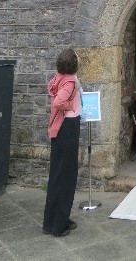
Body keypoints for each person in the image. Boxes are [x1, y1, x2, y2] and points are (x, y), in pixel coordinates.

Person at [42, 47, 82, 237]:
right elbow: (58, 102)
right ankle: (59, 225)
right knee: (66, 176)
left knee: (58, 175)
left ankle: (54, 221)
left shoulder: (59, 77)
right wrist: (70, 107)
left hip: (60, 130)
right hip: (67, 127)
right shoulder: (71, 81)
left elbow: (52, 90)